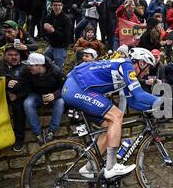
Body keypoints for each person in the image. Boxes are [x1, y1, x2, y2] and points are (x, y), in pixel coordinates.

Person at [62, 48, 161, 179]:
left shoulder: (125, 74)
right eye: (148, 68)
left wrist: (154, 106)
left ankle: (89, 167)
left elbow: (133, 102)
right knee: (116, 116)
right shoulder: (126, 66)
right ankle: (111, 166)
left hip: (77, 89)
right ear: (141, 63)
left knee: (109, 127)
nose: (148, 72)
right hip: (77, 88)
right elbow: (140, 94)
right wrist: (166, 101)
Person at [19, 53, 66, 145]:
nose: (28, 67)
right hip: (36, 94)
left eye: (30, 65)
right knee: (28, 103)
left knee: (60, 102)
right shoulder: (26, 71)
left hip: (53, 94)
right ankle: (38, 133)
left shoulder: (56, 71)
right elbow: (21, 83)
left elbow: (65, 88)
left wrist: (54, 95)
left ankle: (52, 131)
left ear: (39, 65)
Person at [43, 0, 72, 69]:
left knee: (58, 69)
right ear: (52, 6)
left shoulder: (66, 19)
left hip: (61, 47)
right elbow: (44, 32)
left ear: (62, 6)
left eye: (59, 5)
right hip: (51, 46)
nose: (57, 7)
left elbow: (66, 38)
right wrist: (45, 29)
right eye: (55, 5)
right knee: (44, 63)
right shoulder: (49, 17)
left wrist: (53, 31)